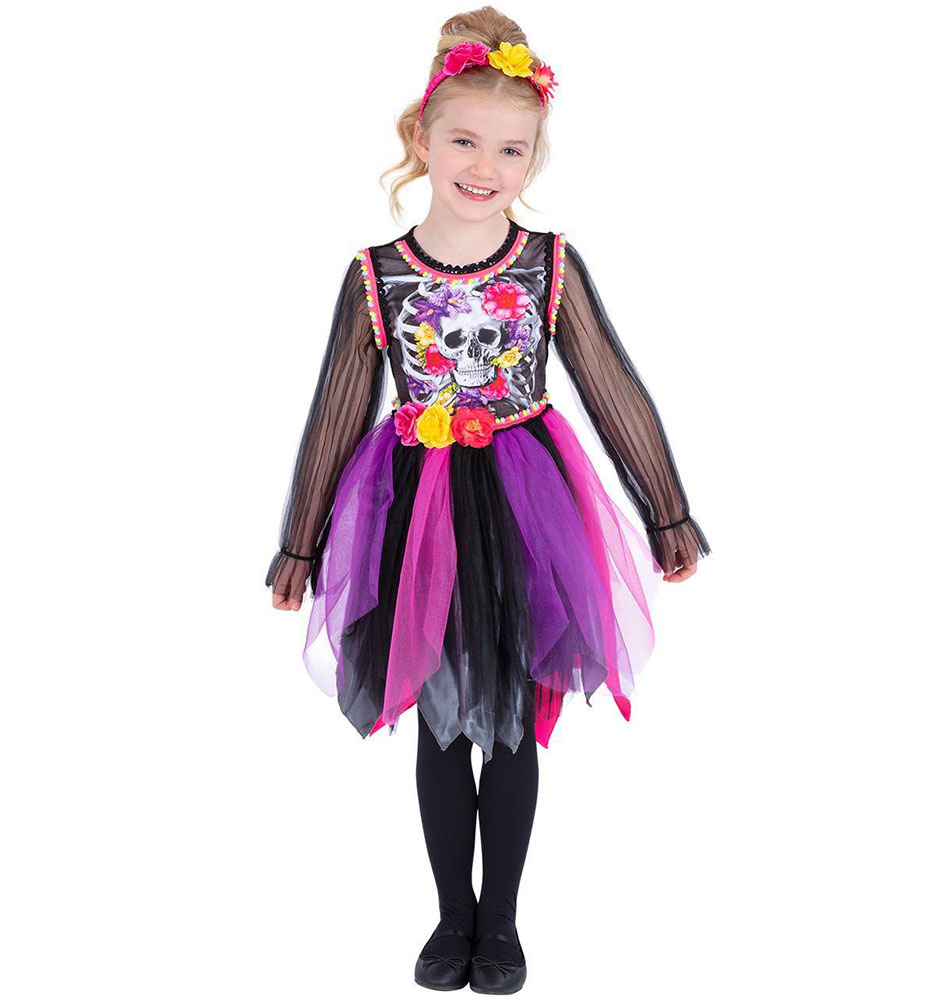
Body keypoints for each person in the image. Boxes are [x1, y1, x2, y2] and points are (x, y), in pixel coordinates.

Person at [265, 7, 711, 993]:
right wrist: (299, 546)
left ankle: (500, 923)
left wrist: (666, 510)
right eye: (464, 141)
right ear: (421, 138)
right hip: (413, 505)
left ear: (532, 157)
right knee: (439, 721)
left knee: (509, 716)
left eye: (511, 149)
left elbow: (611, 386)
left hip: (524, 505)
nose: (485, 166)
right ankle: (450, 918)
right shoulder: (377, 275)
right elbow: (337, 409)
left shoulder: (548, 263)